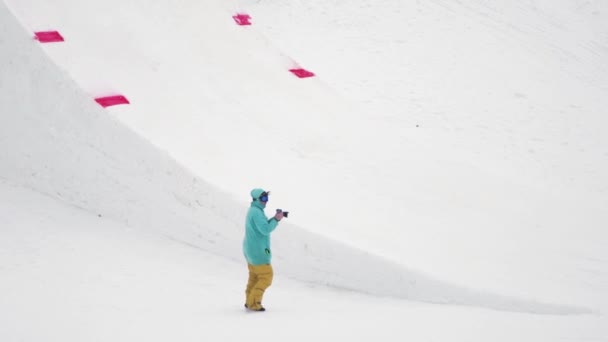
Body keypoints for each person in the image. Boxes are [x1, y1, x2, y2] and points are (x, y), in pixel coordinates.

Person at [243, 188, 284, 312]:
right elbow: (265, 229)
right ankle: (254, 303)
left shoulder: (254, 210)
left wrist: (275, 218)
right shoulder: (256, 212)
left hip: (250, 250)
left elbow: (263, 225)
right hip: (258, 251)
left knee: (254, 277)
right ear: (256, 199)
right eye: (263, 199)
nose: (266, 201)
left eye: (267, 198)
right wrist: (276, 220)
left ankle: (248, 301)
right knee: (266, 276)